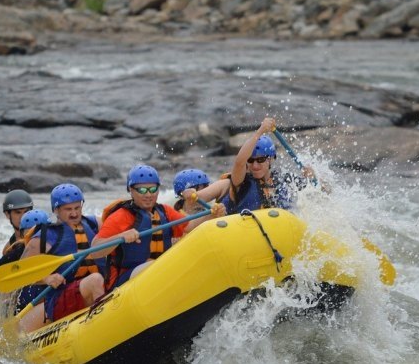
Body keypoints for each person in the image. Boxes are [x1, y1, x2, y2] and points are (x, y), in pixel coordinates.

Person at [91, 164, 226, 291]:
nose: (148, 195)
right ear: (131, 191)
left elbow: (189, 226)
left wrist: (211, 215)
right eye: (142, 190)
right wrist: (120, 236)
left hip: (159, 273)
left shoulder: (165, 211)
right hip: (124, 281)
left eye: (153, 189)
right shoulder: (121, 216)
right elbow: (95, 250)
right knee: (160, 265)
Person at [17, 183, 106, 332]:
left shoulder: (94, 224)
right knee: (95, 280)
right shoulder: (45, 237)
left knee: (99, 279)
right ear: (56, 210)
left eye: (77, 208)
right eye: (68, 209)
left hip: (95, 287)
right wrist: (46, 279)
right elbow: (21, 273)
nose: (74, 214)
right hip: (61, 297)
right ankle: (103, 329)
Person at [209, 117, 317, 214]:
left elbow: (319, 190)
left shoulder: (284, 180)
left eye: (260, 160)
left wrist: (311, 177)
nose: (255, 166)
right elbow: (239, 162)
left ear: (270, 159)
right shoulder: (241, 182)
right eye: (250, 160)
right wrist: (260, 131)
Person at [0, 189, 35, 296]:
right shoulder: (9, 248)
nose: (23, 216)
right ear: (7, 214)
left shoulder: (43, 234)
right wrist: (1, 297)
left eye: (26, 212)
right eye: (18, 212)